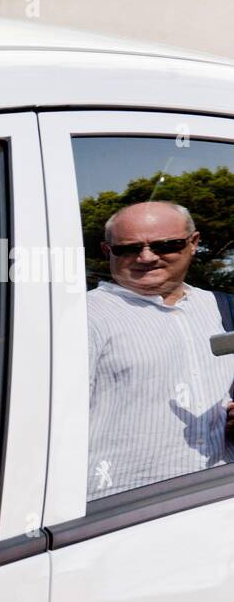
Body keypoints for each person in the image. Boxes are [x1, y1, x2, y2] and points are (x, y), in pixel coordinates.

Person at [87, 201, 234, 499]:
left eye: (166, 245)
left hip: (221, 494)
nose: (146, 257)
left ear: (193, 243)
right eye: (127, 249)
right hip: (121, 509)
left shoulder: (226, 308)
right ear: (107, 252)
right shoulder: (82, 318)